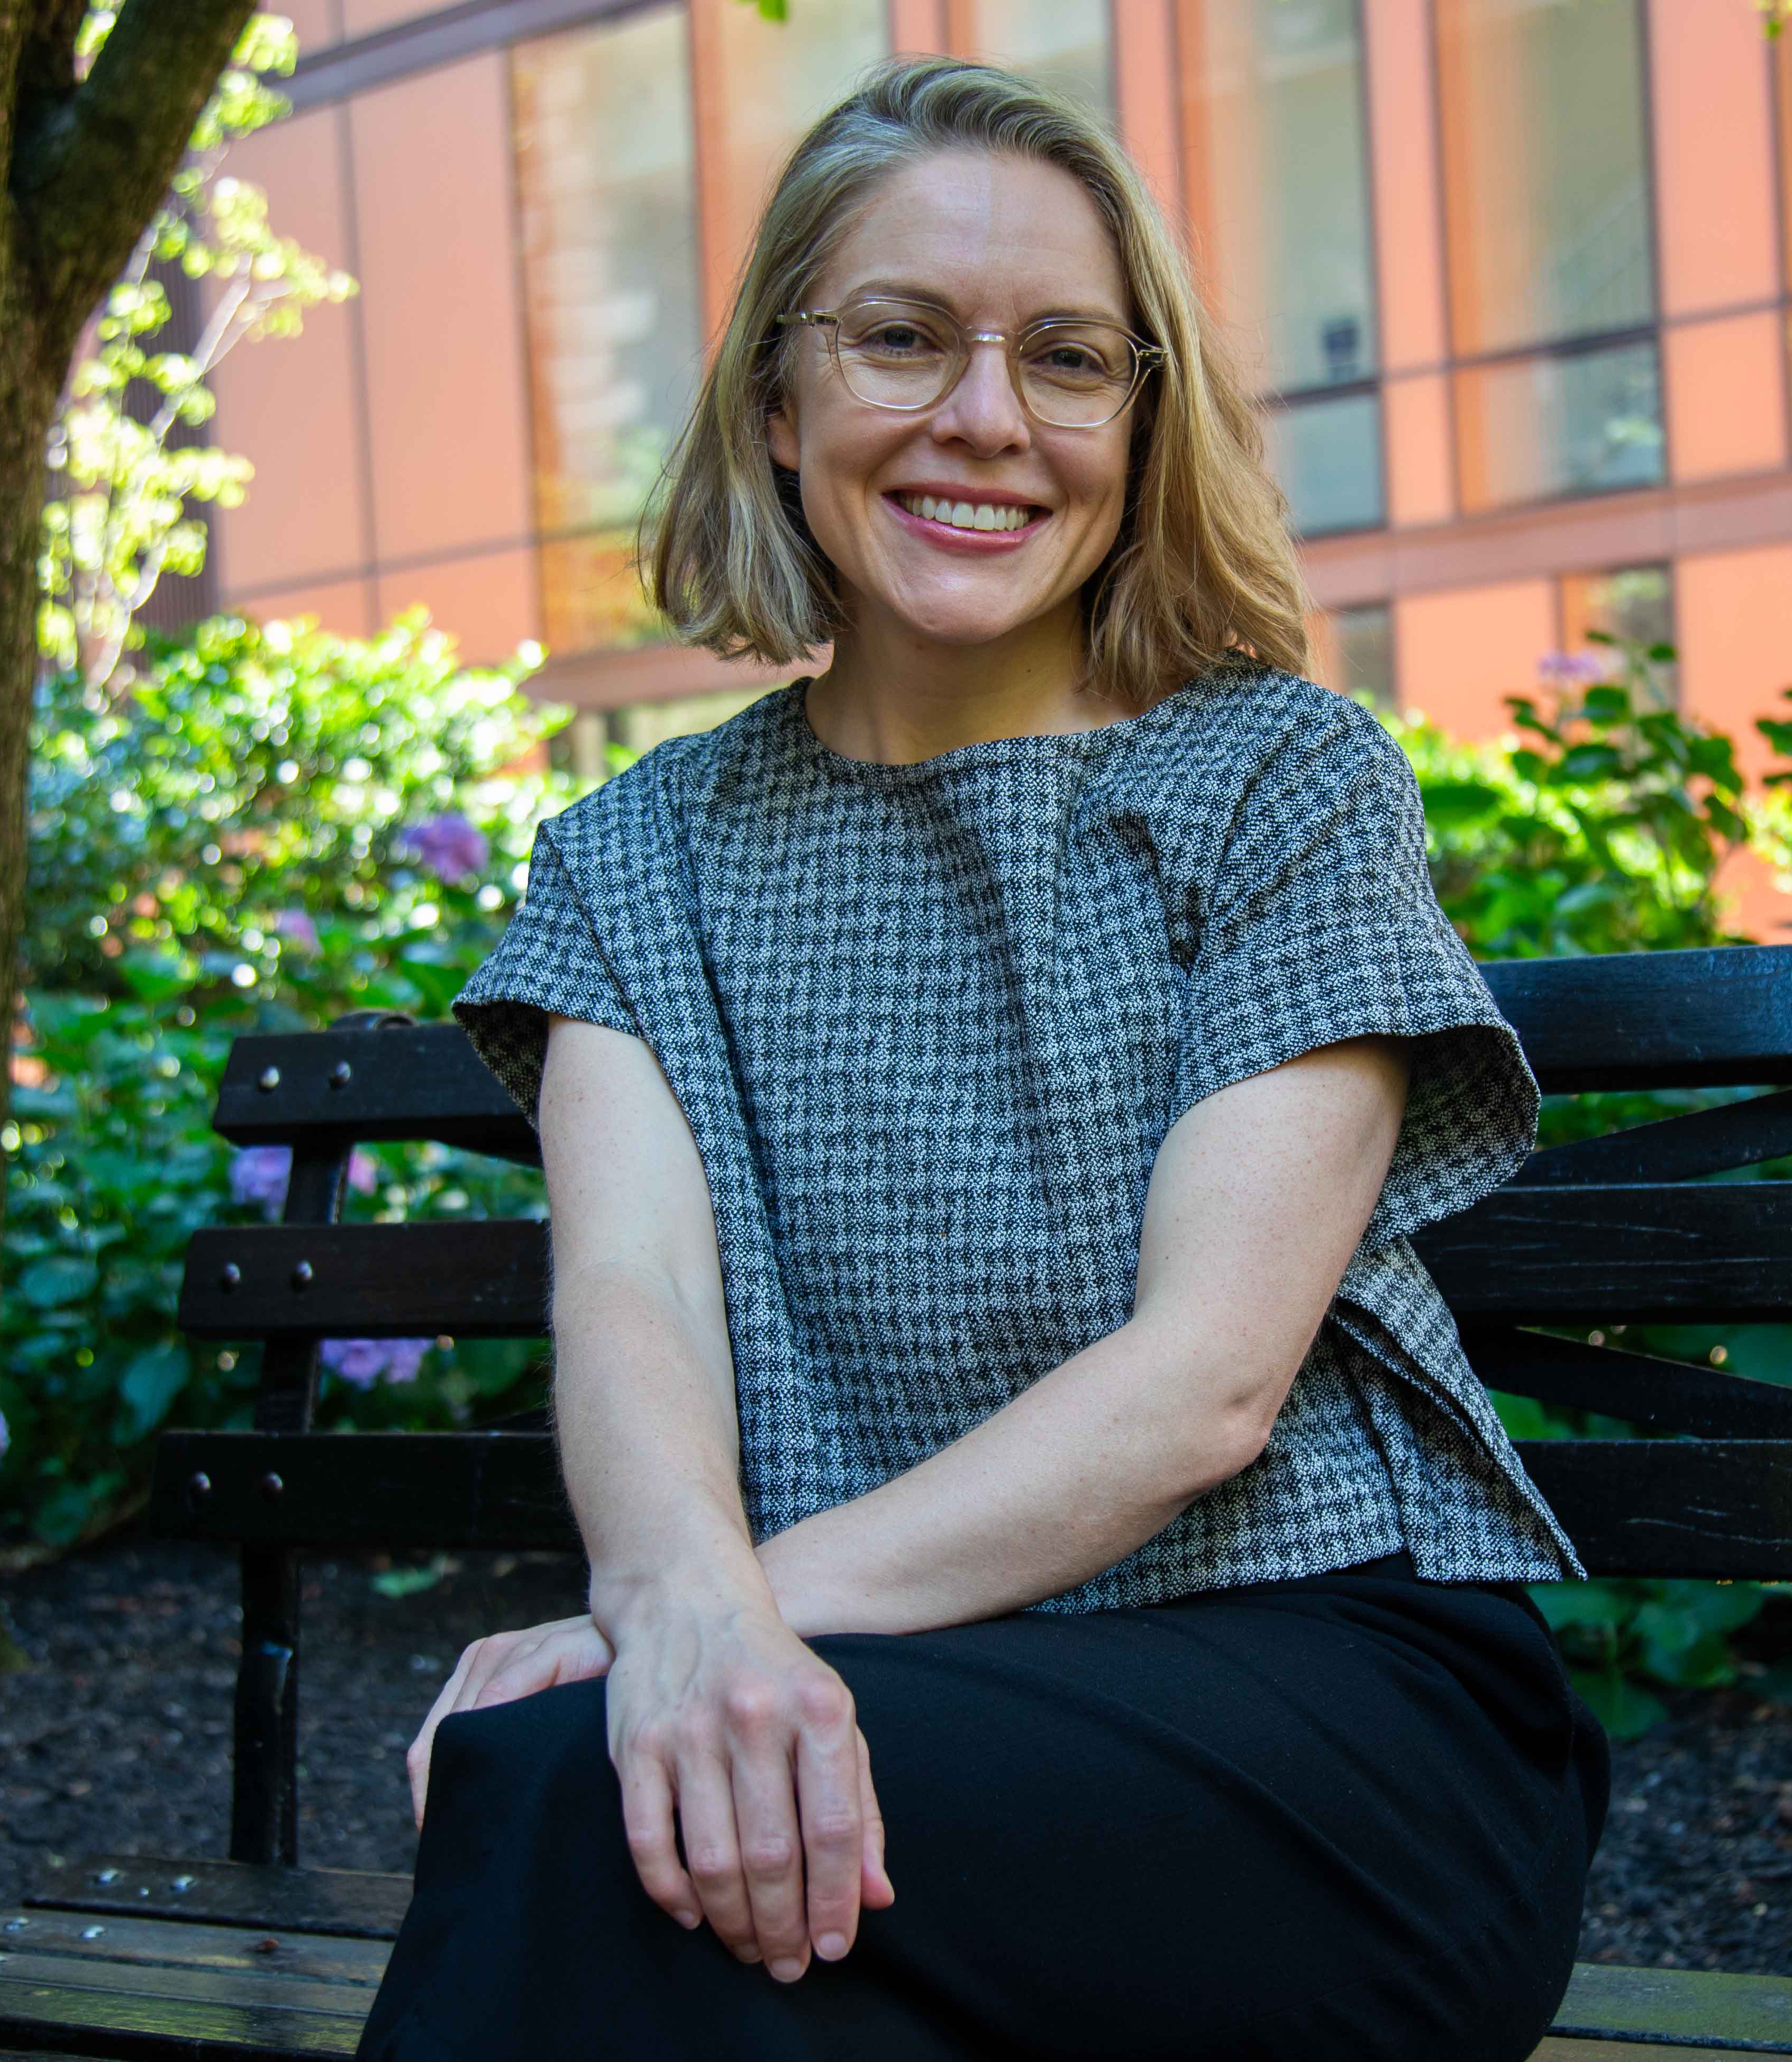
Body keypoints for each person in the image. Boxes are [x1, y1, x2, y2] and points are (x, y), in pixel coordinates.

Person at [357, 54, 1610, 2061]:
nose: (985, 419)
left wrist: (671, 1632)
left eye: (1067, 358)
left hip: (1323, 1716)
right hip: (899, 1699)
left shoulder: (1275, 783)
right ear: (776, 401)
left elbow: (1205, 1387)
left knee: (601, 1791)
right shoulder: (638, 857)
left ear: (1140, 418)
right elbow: (633, 1287)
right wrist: (686, 1618)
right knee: (700, 1880)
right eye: (902, 337)